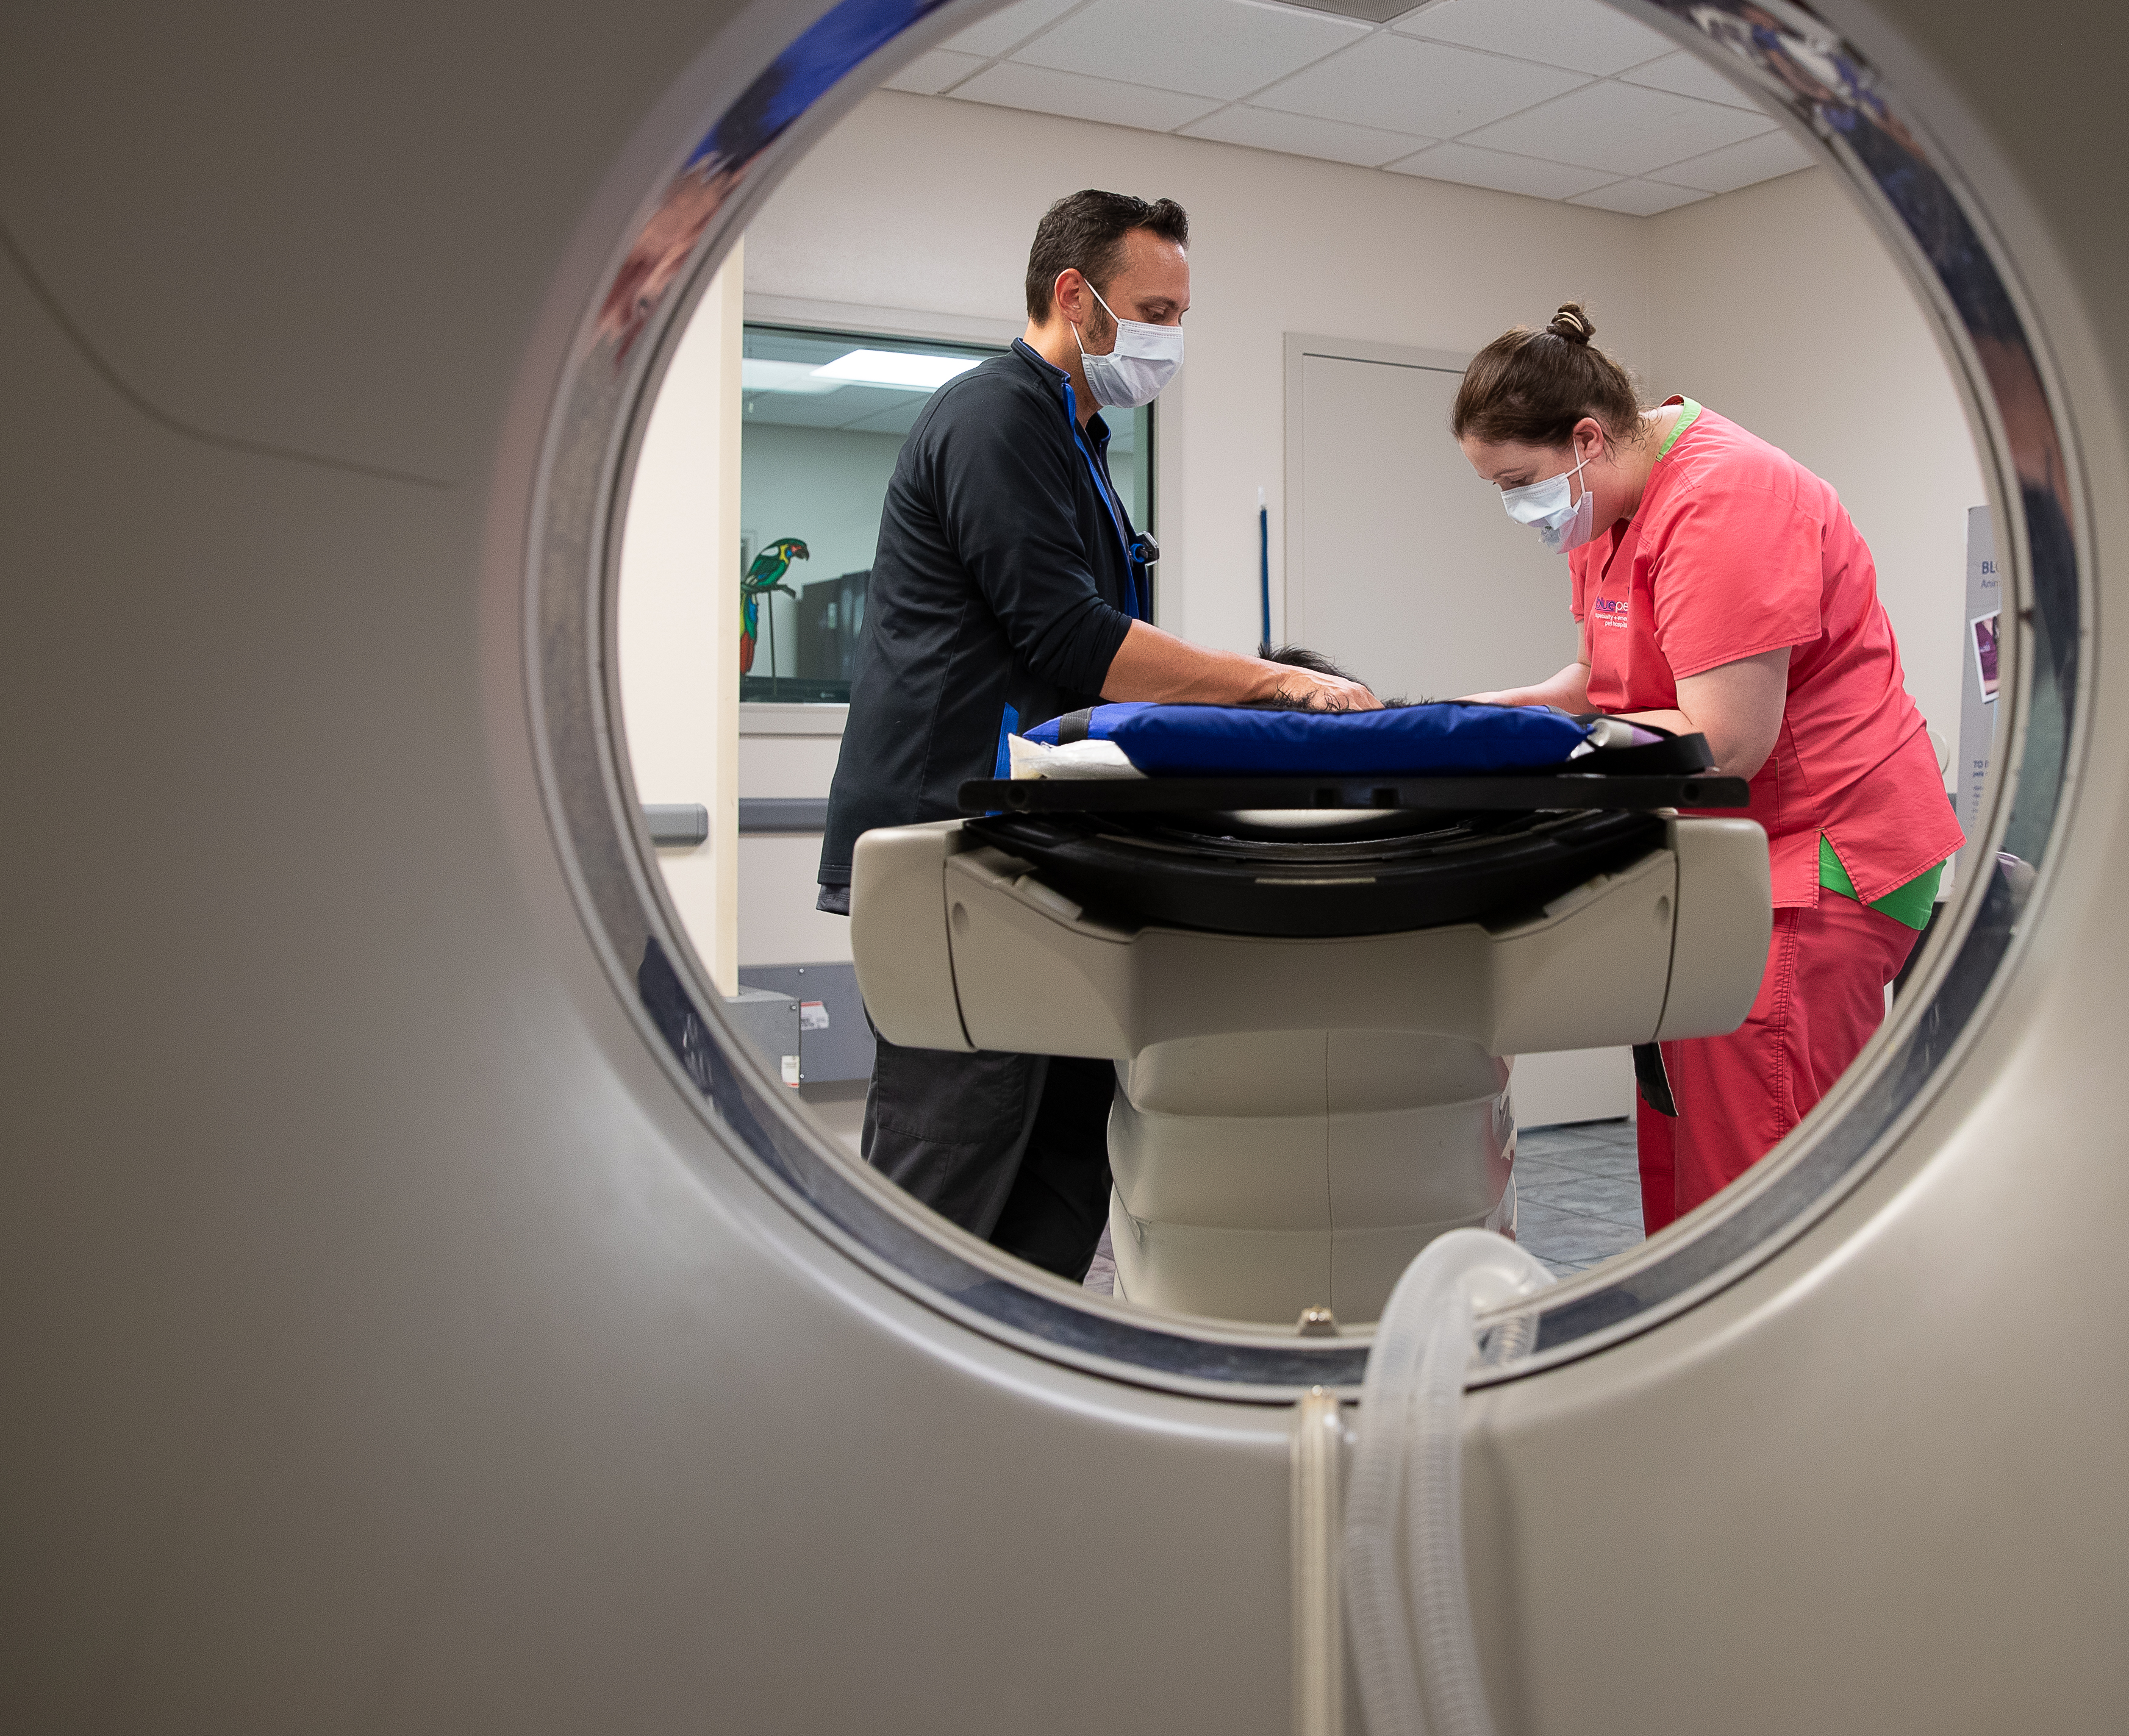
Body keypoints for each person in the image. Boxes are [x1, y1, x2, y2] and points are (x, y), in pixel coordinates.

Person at [818, 190, 1374, 1280]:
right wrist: (1271, 687)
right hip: (956, 854)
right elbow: (1073, 639)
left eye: (1179, 310)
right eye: (1153, 307)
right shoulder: (993, 418)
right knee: (954, 1173)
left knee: (1061, 1172)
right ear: (1075, 297)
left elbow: (1096, 664)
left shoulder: (1081, 437)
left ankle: (1021, 1422)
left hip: (1047, 858)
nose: (1170, 335)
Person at [1454, 304, 1961, 1232]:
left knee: (1758, 1164)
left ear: (1585, 437)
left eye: (1519, 482)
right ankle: (1683, 1346)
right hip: (1729, 854)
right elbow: (1599, 673)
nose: (1515, 506)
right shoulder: (1610, 504)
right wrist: (1479, 718)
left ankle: (1773, 1374)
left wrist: (1547, 762)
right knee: (1685, 1135)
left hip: (1820, 851)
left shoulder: (1726, 498)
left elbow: (1724, 742)